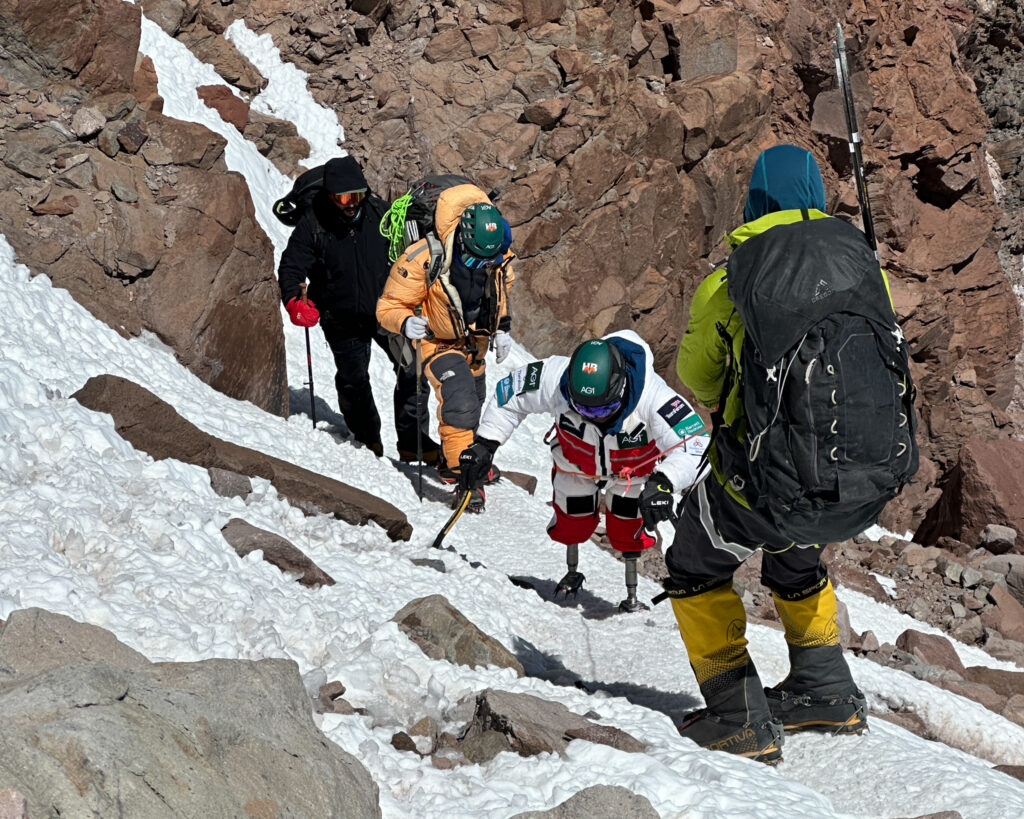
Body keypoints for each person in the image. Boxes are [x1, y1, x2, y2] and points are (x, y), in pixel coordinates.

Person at [666, 144, 873, 763]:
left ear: (756, 198)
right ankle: (826, 691)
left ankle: (738, 717)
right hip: (845, 475)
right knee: (796, 555)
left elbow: (696, 376)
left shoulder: (733, 277)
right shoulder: (865, 268)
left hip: (762, 476)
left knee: (694, 563)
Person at [457, 330, 708, 612]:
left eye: (605, 409)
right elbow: (509, 394)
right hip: (575, 463)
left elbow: (696, 444)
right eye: (582, 408)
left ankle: (632, 596)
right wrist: (485, 444)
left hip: (633, 473)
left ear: (622, 387)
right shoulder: (555, 376)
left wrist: (664, 481)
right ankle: (572, 571)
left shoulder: (654, 396)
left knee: (629, 530)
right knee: (571, 521)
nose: (594, 416)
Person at [278, 155, 438, 461]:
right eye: (344, 197)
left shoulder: (380, 215)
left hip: (387, 312)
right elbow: (291, 267)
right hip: (340, 317)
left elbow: (412, 254)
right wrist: (294, 301)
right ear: (330, 196)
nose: (352, 203)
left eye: (359, 195)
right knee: (354, 379)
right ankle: (368, 442)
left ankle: (413, 442)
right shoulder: (313, 225)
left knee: (413, 370)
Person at [376, 181, 514, 509]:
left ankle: (464, 456)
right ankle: (462, 474)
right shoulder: (424, 256)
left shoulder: (496, 252)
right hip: (437, 341)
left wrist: (503, 327)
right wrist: (405, 321)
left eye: (489, 259)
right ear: (464, 238)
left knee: (475, 400)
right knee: (462, 399)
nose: (484, 264)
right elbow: (387, 307)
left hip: (474, 341)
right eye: (478, 259)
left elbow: (499, 291)